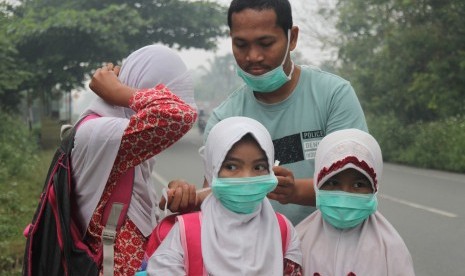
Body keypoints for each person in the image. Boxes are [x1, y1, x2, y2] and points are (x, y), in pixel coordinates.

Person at [198, 0, 368, 225]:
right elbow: (212, 197)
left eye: (266, 43)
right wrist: (184, 197)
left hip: (326, 249)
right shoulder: (224, 118)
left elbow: (359, 184)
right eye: (241, 44)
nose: (253, 57)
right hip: (252, 254)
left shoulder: (333, 95)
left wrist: (295, 191)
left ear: (292, 38)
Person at [71, 44, 198, 275]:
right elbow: (182, 115)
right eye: (159, 94)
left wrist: (170, 199)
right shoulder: (104, 132)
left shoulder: (123, 135)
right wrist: (121, 93)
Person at [146, 116, 303, 275]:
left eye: (259, 167)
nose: (246, 177)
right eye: (232, 166)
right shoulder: (184, 232)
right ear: (212, 169)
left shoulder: (284, 231)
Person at [296, 128, 415, 275]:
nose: (345, 194)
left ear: (374, 188)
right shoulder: (298, 241)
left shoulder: (390, 248)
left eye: (358, 185)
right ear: (317, 184)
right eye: (333, 183)